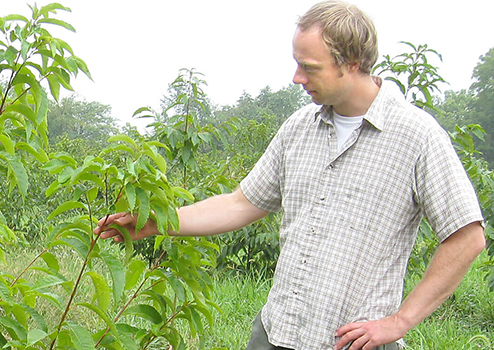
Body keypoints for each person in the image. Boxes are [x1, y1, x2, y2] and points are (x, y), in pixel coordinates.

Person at [94, 1, 487, 349]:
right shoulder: (299, 127)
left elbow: (467, 237)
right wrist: (158, 222)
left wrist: (400, 322)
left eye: (309, 67)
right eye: (296, 62)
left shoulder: (417, 136)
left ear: (352, 63)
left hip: (348, 342)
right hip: (276, 333)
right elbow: (241, 203)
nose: (297, 78)